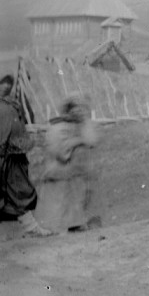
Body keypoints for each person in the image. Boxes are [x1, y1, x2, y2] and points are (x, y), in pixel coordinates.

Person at [32, 97, 101, 234]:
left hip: (74, 175)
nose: (80, 112)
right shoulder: (58, 127)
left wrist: (83, 129)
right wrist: (77, 141)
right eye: (76, 108)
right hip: (58, 173)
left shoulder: (81, 126)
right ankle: (51, 231)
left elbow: (92, 141)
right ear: (68, 110)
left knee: (76, 203)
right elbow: (58, 151)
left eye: (83, 109)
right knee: (56, 209)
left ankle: (76, 226)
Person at [0, 74, 43, 234]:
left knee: (17, 193)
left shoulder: (9, 107)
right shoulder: (6, 109)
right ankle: (31, 228)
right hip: (8, 159)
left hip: (10, 158)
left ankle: (30, 228)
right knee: (18, 191)